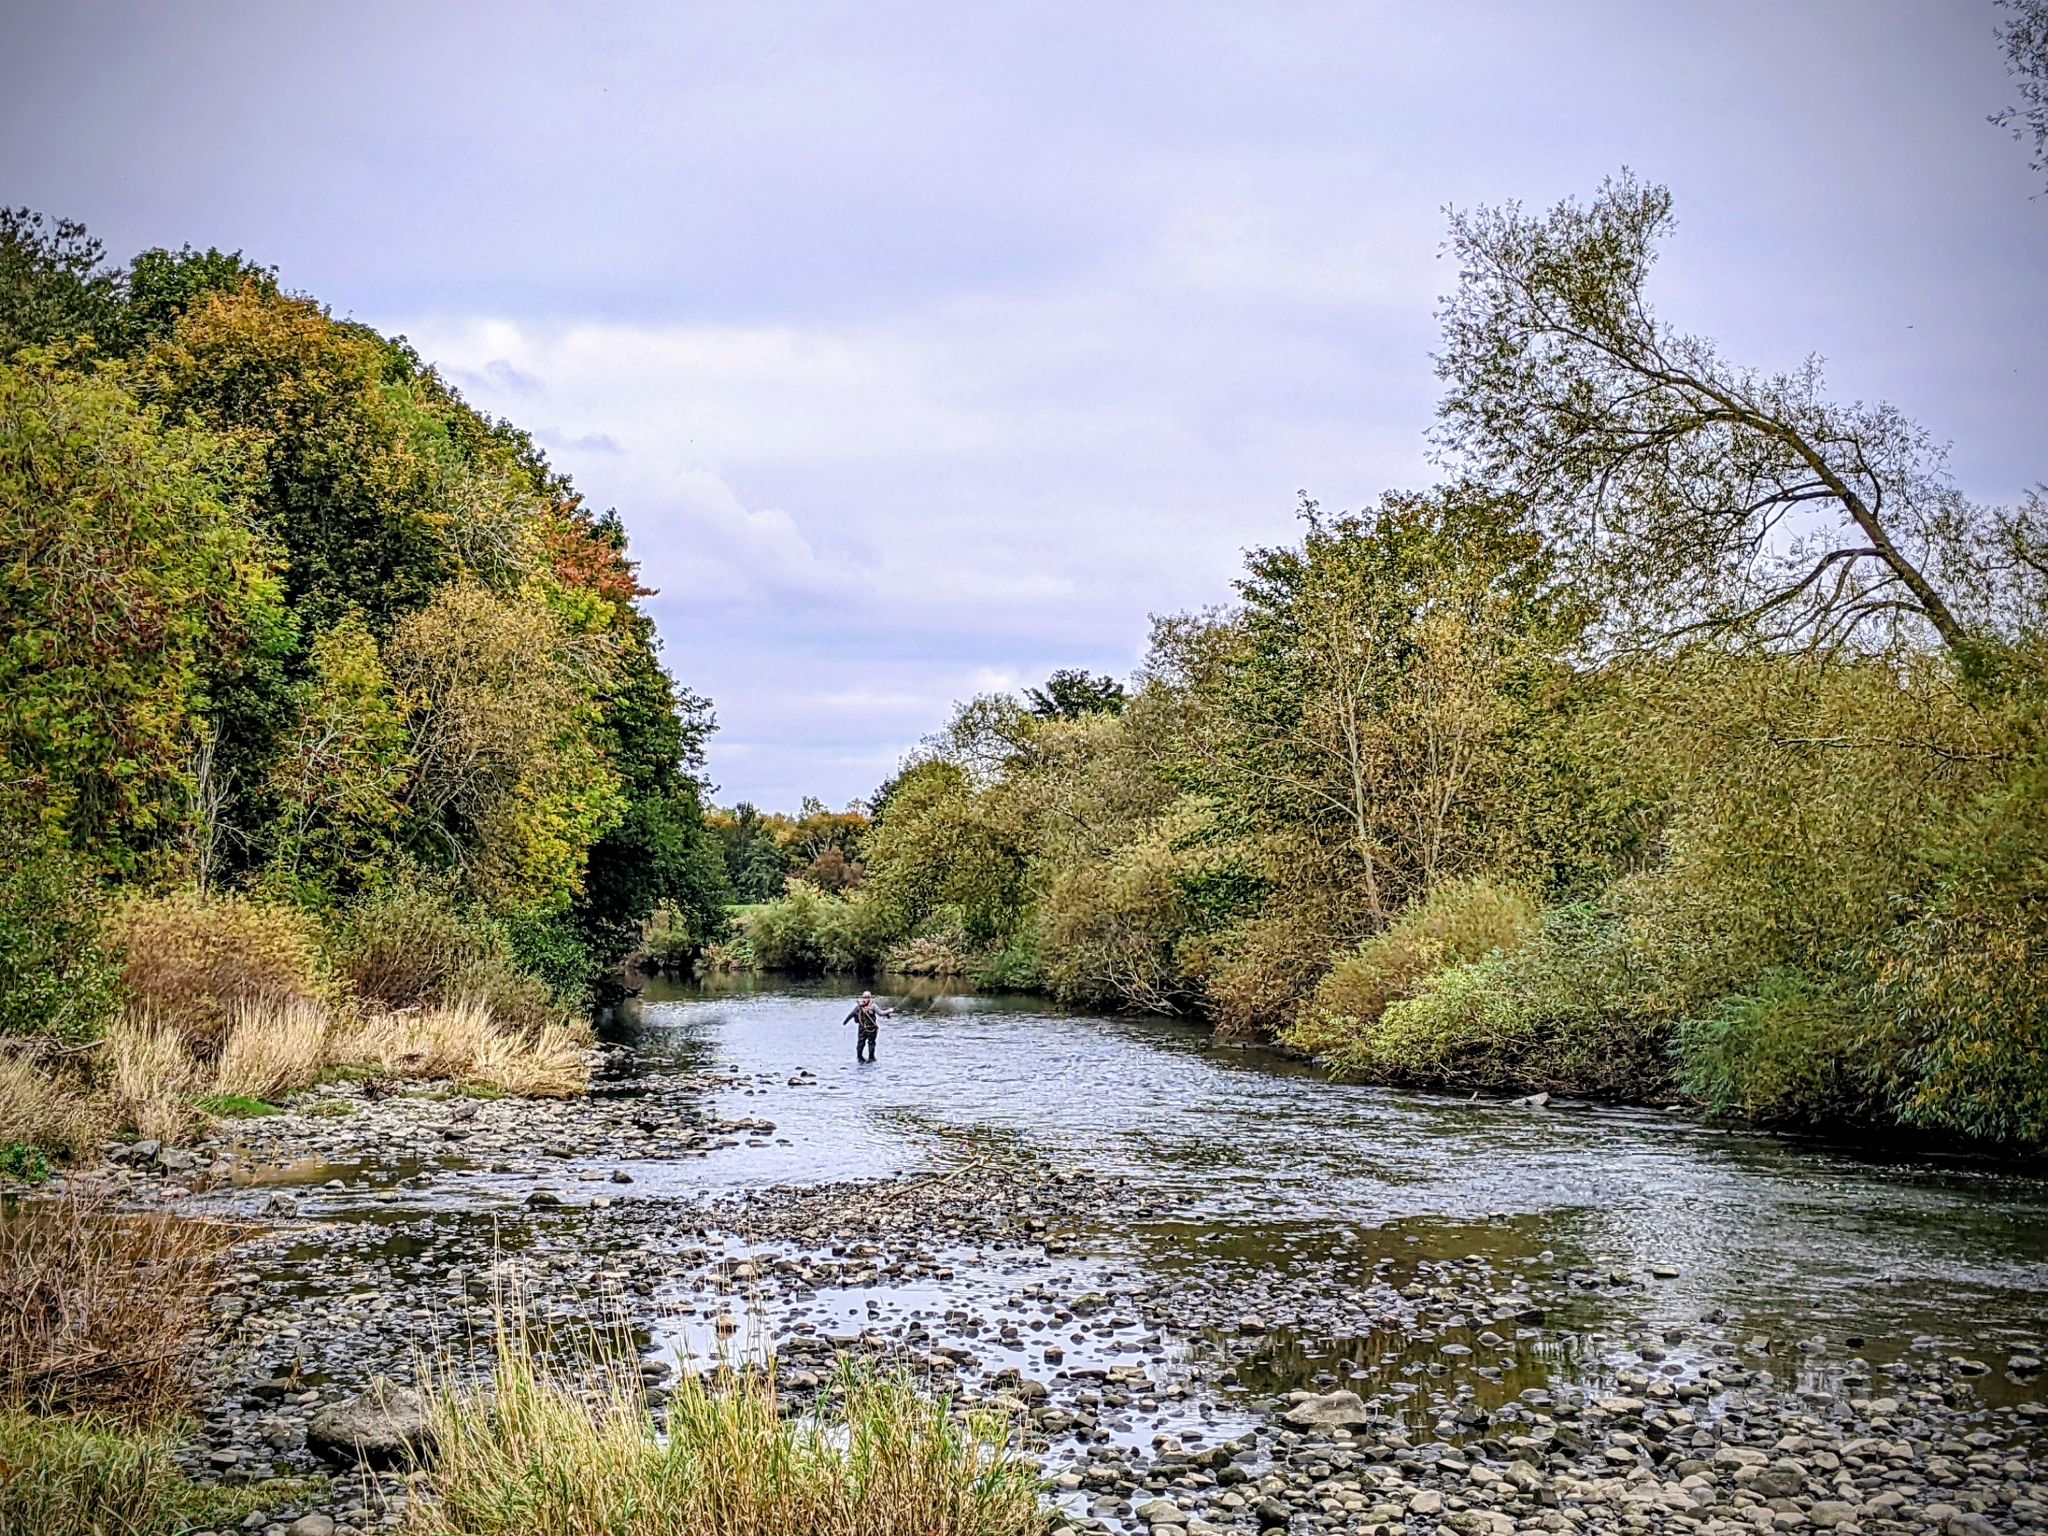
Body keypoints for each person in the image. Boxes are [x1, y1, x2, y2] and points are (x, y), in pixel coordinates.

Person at [842, 989, 891, 1063]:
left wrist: (845, 1022)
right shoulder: (870, 1006)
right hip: (867, 1029)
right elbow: (881, 1013)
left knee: (865, 1043)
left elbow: (851, 1015)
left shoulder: (862, 1007)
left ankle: (865, 1057)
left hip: (868, 1029)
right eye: (865, 998)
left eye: (866, 998)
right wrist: (889, 1011)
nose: (865, 999)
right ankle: (864, 1057)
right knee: (865, 1043)